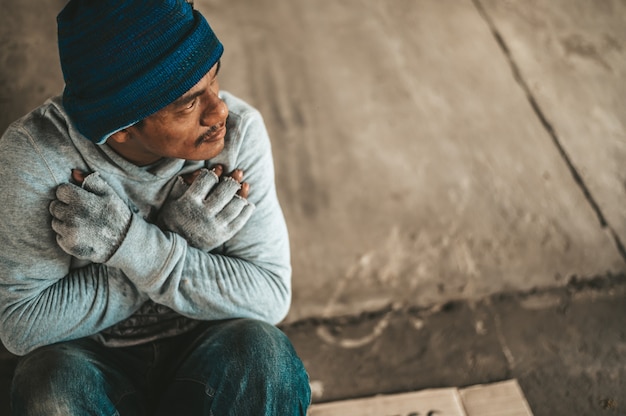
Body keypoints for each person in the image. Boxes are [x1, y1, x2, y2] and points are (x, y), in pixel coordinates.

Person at [0, 0, 311, 414]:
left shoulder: (238, 132)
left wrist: (131, 244)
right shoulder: (37, 156)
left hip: (207, 347)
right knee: (52, 387)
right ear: (122, 128)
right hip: (91, 359)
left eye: (214, 79)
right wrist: (177, 240)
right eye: (188, 103)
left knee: (263, 355)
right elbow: (23, 324)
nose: (218, 110)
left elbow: (269, 296)